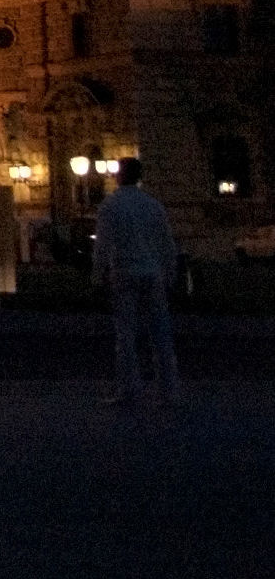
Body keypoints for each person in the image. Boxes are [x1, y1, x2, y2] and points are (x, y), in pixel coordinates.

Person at [91, 159, 181, 405]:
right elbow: (166, 243)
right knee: (160, 332)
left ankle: (129, 389)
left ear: (119, 176)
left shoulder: (111, 205)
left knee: (126, 334)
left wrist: (97, 276)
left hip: (124, 271)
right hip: (152, 272)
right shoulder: (153, 206)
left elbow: (102, 245)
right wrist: (171, 273)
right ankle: (169, 390)